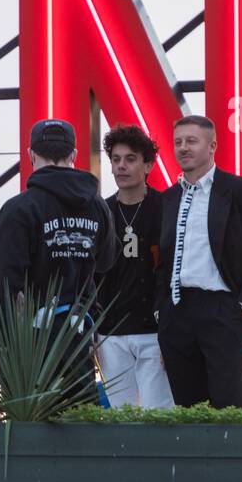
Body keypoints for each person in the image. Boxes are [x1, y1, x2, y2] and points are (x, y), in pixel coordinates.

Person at [155, 115, 242, 409]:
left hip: (223, 309)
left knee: (229, 406)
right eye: (178, 142)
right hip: (177, 311)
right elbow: (161, 261)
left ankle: (232, 456)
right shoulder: (167, 198)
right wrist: (161, 310)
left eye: (191, 141)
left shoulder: (241, 191)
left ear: (212, 146)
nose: (183, 148)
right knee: (186, 408)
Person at [0, 118, 117, 310]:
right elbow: (105, 262)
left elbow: (1, 284)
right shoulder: (99, 206)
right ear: (73, 155)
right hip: (83, 331)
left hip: (33, 335)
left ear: (30, 154)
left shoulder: (19, 209)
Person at [95, 124, 174, 409]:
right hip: (110, 332)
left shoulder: (167, 208)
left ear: (148, 164)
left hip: (154, 332)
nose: (121, 167)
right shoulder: (99, 212)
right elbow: (92, 276)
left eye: (130, 159)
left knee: (159, 414)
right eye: (115, 159)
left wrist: (171, 331)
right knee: (121, 416)